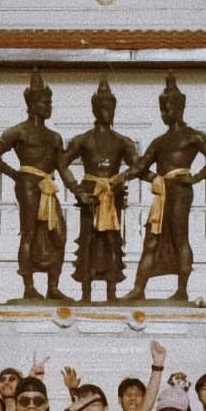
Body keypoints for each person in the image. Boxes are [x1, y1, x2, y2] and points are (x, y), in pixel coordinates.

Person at [126, 73, 206, 302]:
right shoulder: (159, 142)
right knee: (151, 239)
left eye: (166, 108)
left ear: (178, 108)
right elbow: (140, 167)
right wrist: (121, 179)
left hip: (180, 191)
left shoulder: (193, 136)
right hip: (163, 194)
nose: (163, 114)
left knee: (180, 237)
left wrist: (196, 177)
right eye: (161, 109)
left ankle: (181, 290)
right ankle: (139, 288)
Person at [0, 69, 72, 301]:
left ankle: (53, 285)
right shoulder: (18, 132)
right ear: (32, 104)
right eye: (45, 102)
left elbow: (62, 167)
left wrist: (77, 189)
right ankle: (29, 285)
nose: (49, 106)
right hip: (28, 185)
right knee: (30, 233)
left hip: (48, 186)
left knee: (59, 233)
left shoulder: (54, 137)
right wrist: (15, 174)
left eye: (50, 102)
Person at [59, 74, 137, 304]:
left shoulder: (123, 141)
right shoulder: (82, 140)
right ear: (94, 108)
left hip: (113, 195)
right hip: (90, 195)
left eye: (111, 106)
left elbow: (138, 165)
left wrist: (124, 176)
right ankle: (86, 293)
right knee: (88, 240)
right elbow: (62, 164)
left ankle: (112, 292)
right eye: (103, 106)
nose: (108, 111)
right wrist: (77, 190)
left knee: (113, 240)